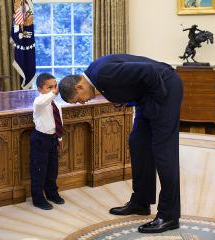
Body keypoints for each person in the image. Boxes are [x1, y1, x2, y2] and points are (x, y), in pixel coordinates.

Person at [59, 54, 183, 234]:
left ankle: (169, 216)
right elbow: (131, 81)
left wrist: (160, 103)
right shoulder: (96, 76)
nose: (82, 102)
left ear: (79, 86)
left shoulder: (102, 73)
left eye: (78, 99)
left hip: (164, 89)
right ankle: (141, 202)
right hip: (147, 96)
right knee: (138, 144)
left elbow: (150, 71)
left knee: (164, 152)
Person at [30, 73, 65, 210]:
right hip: (40, 139)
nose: (53, 89)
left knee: (52, 169)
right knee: (39, 170)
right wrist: (55, 92)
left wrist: (60, 137)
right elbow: (43, 101)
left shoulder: (56, 103)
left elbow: (59, 120)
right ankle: (38, 199)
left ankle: (52, 193)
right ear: (40, 89)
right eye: (49, 87)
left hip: (53, 138)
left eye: (55, 86)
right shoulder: (38, 102)